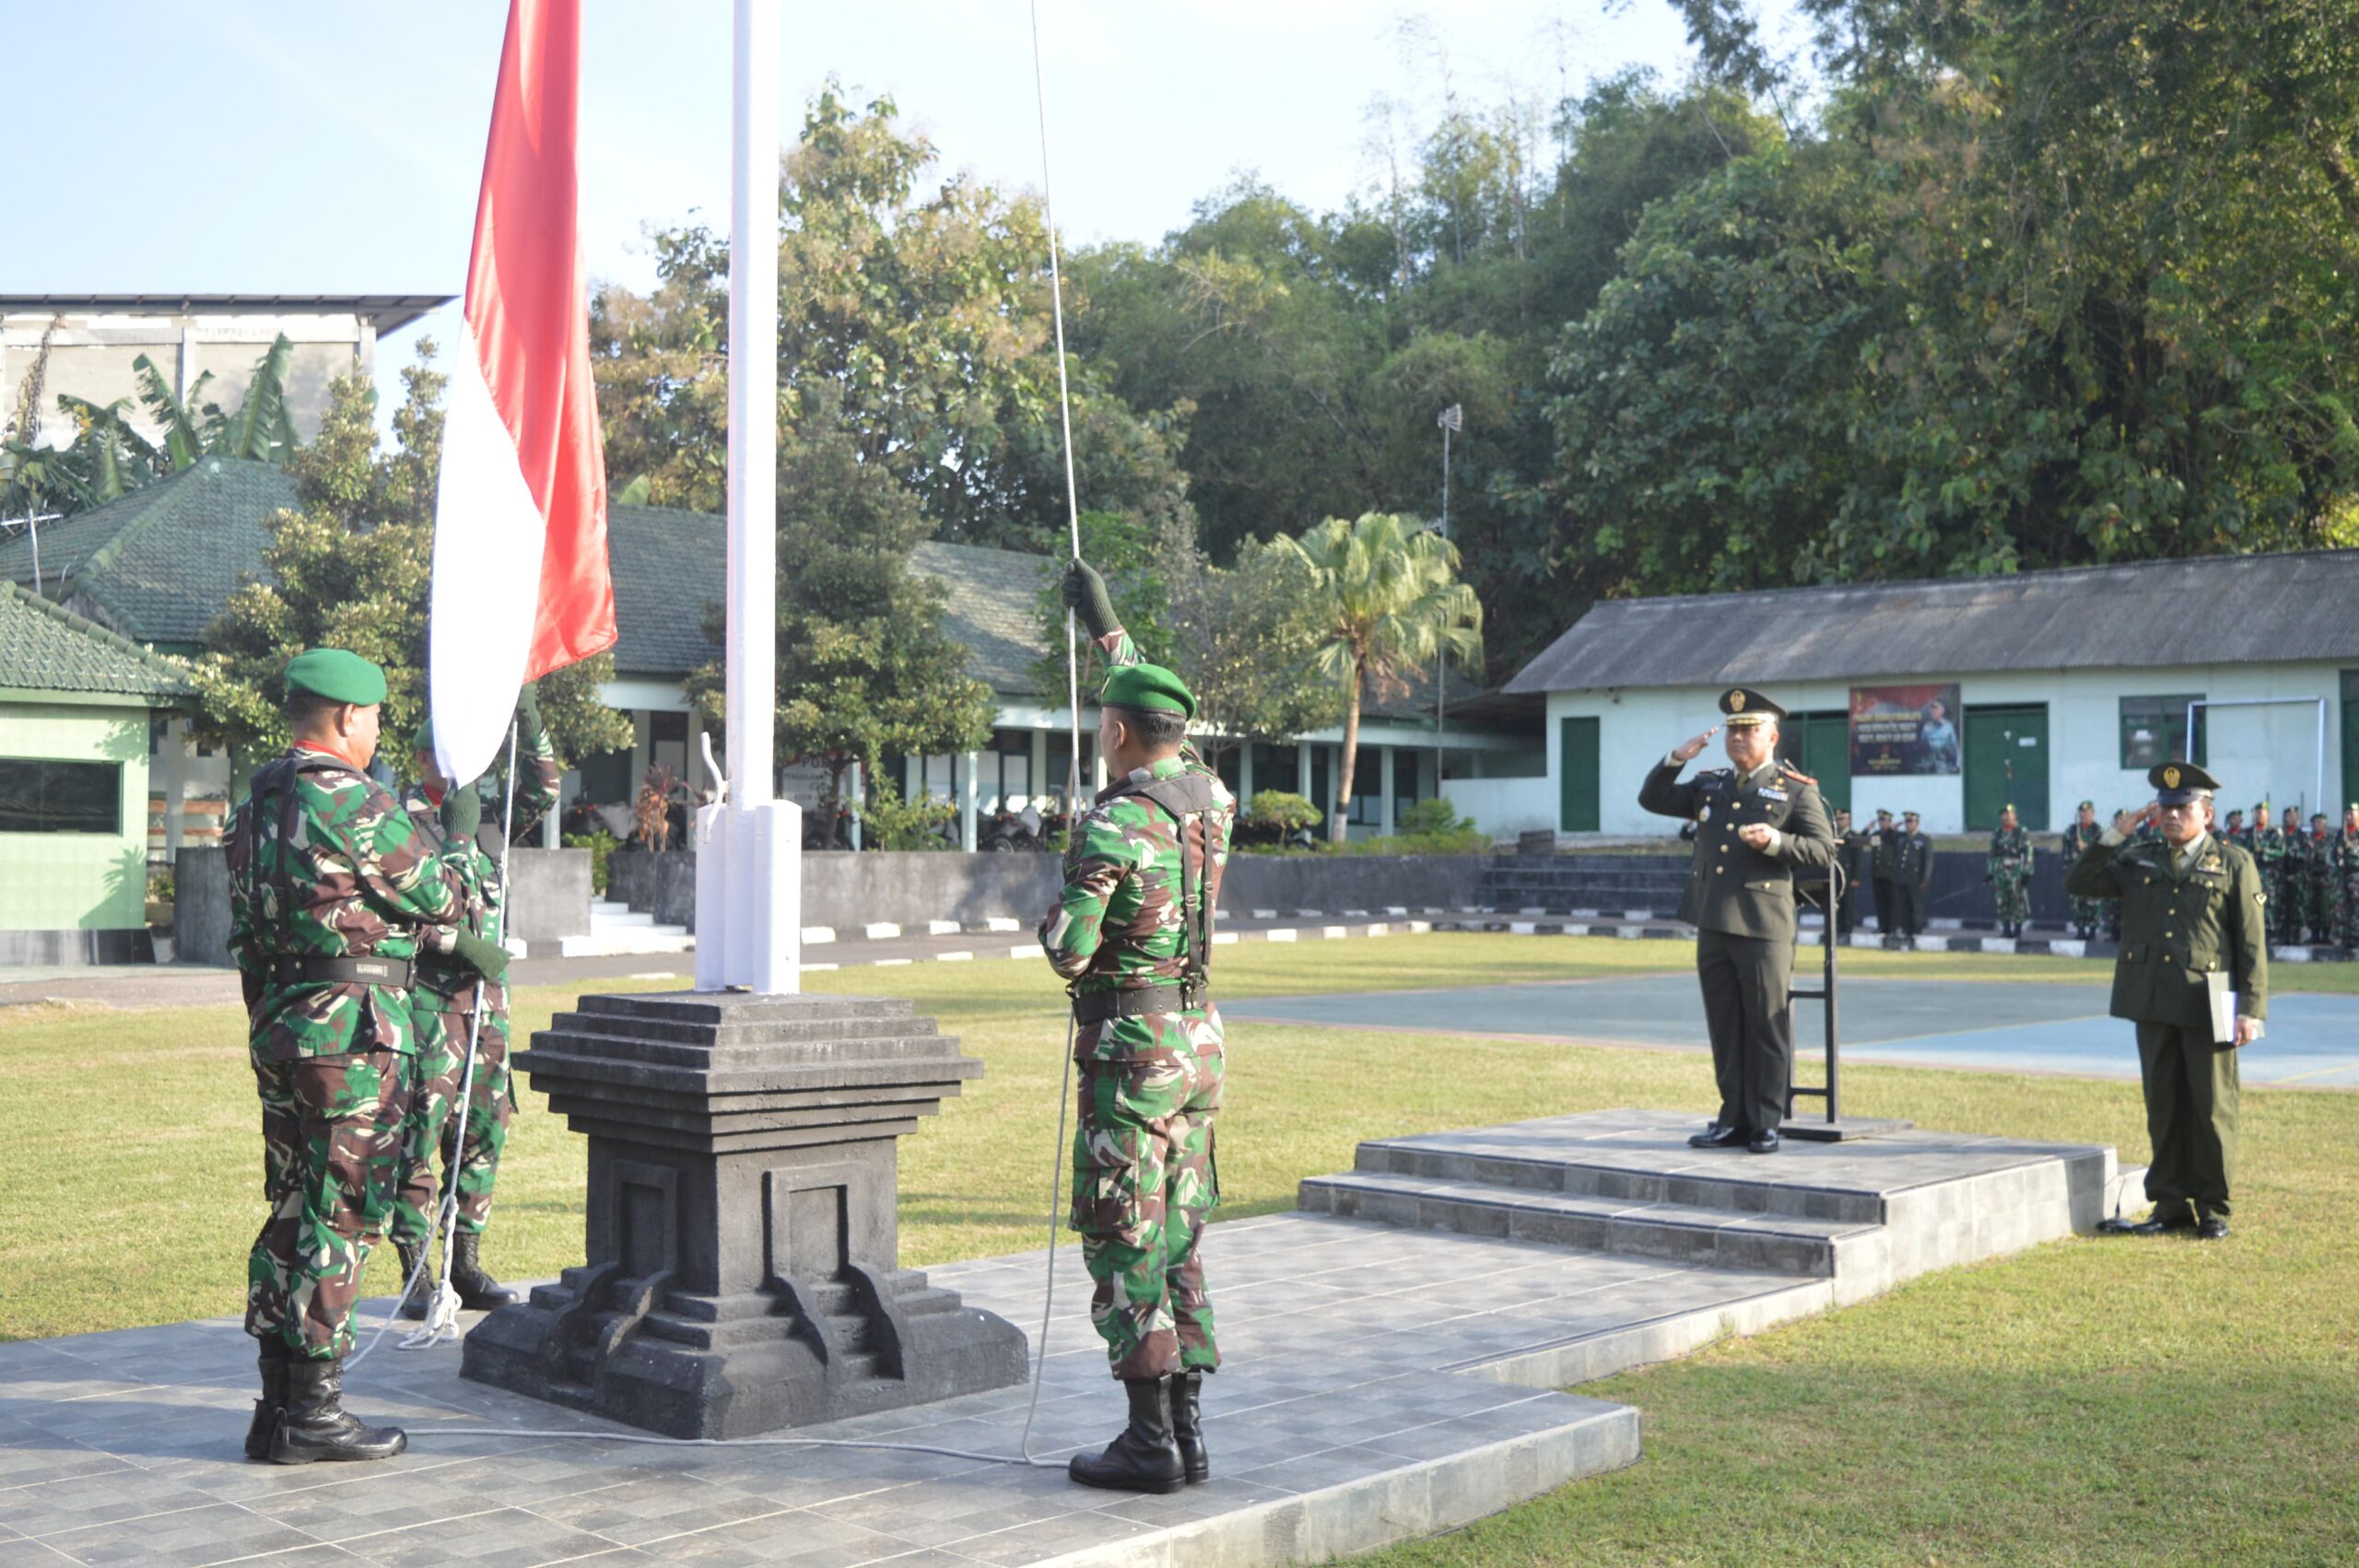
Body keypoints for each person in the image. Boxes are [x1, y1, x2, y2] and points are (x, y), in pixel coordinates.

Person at [224, 649, 506, 1464]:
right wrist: (459, 837)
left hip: (284, 1029)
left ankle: (279, 1406)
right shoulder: (351, 797)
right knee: (341, 1213)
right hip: (352, 1035)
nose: (379, 730)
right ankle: (312, 1413)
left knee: (292, 1208)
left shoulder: (257, 806)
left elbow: (247, 938)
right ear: (347, 717)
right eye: (375, 717)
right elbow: (449, 896)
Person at [1048, 562, 1236, 1493]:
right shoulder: (1209, 795)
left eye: (1103, 725)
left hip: (1130, 1054)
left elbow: (1067, 949)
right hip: (1196, 1042)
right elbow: (1153, 698)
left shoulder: (1119, 819)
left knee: (1126, 1231)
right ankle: (1188, 1433)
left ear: (1116, 733)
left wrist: (1064, 878)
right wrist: (1107, 624)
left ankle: (1147, 1442)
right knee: (1178, 1233)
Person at [388, 685, 563, 1318]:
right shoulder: (399, 823)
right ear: (425, 759)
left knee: (483, 1137)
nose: (464, 770)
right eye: (451, 758)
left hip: (488, 1014)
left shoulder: (488, 820)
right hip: (428, 1012)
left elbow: (546, 789)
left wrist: (529, 714)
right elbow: (399, 912)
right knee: (420, 1139)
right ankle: (416, 1272)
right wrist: (456, 940)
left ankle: (465, 1264)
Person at [2064, 763, 2266, 1240]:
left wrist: (2250, 1010)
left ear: (2207, 814)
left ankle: (2213, 1207)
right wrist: (2117, 832)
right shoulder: (2139, 858)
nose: (2174, 816)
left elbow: (2252, 944)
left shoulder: (2233, 863)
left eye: (2184, 808)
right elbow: (2079, 880)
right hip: (2152, 997)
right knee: (2164, 1103)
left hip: (2210, 999)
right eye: (2167, 808)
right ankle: (2170, 1204)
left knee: (2213, 1107)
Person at [1637, 687, 1836, 1154]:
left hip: (1765, 926)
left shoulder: (1796, 790)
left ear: (1772, 737)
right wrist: (1676, 758)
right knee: (1725, 1026)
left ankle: (1766, 1121)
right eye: (1733, 731)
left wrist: (1775, 843)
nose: (1738, 739)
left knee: (1766, 1026)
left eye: (1749, 731)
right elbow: (1653, 798)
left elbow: (1824, 851)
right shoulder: (1712, 783)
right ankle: (1732, 1118)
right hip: (1714, 919)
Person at [1987, 803, 2033, 939]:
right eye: (2003, 814)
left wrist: (2027, 871)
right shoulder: (1998, 832)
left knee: (2017, 899)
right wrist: (1990, 871)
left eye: (2009, 814)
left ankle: (2017, 929)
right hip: (2001, 870)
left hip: (2016, 869)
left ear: (2015, 815)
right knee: (2002, 900)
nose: (2006, 817)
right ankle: (2006, 928)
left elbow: (2028, 852)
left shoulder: (2021, 831)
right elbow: (1992, 853)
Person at [2062, 801, 2106, 942]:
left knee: (2093, 902)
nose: (2083, 815)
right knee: (2077, 902)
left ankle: (2092, 931)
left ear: (2092, 814)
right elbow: (2066, 852)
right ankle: (2080, 930)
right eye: (2081, 812)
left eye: (2087, 812)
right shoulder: (2072, 830)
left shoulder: (2098, 830)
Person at [1895, 811, 1934, 940]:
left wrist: (1925, 879)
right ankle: (1906, 929)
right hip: (1902, 877)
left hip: (1915, 878)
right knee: (1903, 905)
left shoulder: (1923, 839)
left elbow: (1928, 861)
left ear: (1917, 823)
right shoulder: (1902, 837)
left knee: (1915, 905)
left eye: (1910, 822)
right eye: (1906, 822)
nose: (1908, 825)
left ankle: (1916, 929)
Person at [2275, 805, 2310, 945]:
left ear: (2297, 818)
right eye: (2286, 816)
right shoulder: (2279, 834)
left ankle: (2296, 937)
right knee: (2282, 908)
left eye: (2292, 816)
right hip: (2281, 876)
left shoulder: (2302, 836)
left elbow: (2308, 855)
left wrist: (2293, 854)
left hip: (2297, 877)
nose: (2288, 818)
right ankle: (2284, 936)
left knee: (2297, 908)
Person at [1833, 808, 1870, 938]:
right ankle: (1835, 929)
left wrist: (1857, 877)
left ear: (1848, 820)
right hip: (1834, 876)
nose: (1839, 822)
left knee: (1847, 904)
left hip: (1848, 876)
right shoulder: (1833, 835)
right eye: (1837, 819)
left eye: (1842, 819)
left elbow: (1859, 859)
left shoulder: (1854, 836)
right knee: (1834, 903)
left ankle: (1847, 930)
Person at [2331, 803, 2359, 954]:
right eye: (2347, 814)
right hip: (2342, 877)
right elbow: (2334, 854)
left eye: (2352, 814)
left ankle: (2356, 937)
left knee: (2357, 909)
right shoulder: (2340, 835)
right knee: (2342, 908)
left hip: (2356, 876)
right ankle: (2344, 937)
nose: (2349, 817)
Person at [1869, 808, 1899, 933]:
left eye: (1884, 820)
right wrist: (1867, 829)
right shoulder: (1877, 835)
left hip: (1890, 874)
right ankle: (1882, 926)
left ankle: (1892, 927)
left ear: (1890, 821)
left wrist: (1892, 829)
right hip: (1877, 873)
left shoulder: (1894, 834)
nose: (1882, 823)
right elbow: (1868, 842)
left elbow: (1892, 843)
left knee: (1891, 902)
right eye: (1880, 820)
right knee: (1880, 902)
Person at [1916, 698, 1960, 773]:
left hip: (1944, 766)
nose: (1933, 711)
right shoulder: (1927, 727)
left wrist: (1956, 765)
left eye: (1936, 709)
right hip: (1929, 766)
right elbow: (1922, 747)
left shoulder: (1948, 727)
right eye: (1932, 709)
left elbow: (1954, 748)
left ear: (1942, 710)